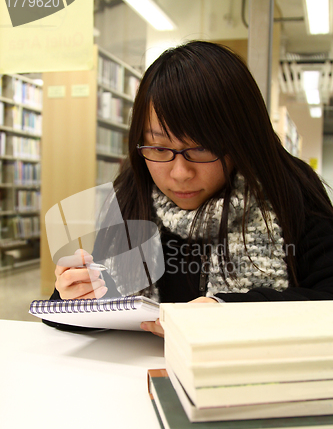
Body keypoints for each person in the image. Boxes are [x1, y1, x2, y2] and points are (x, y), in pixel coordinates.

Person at [50, 40, 333, 337]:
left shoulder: (288, 189)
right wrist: (71, 297)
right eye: (159, 148)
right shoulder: (131, 194)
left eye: (202, 147)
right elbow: (101, 303)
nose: (180, 173)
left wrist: (227, 310)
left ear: (242, 140)